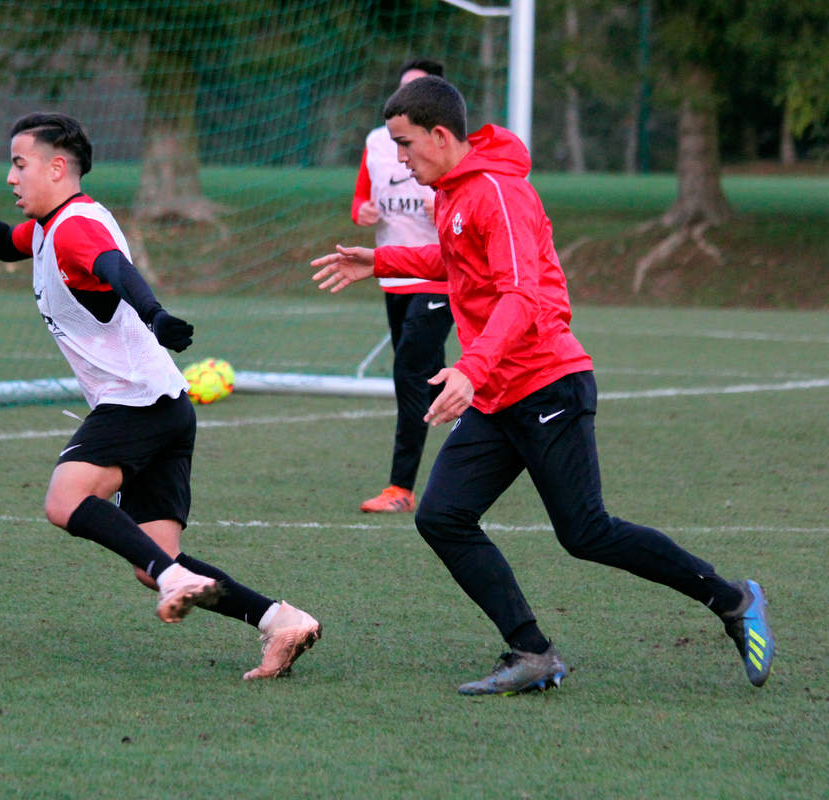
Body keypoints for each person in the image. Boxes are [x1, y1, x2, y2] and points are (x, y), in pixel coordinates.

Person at [311, 76, 773, 695]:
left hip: (547, 383)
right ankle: (531, 652)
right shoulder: (452, 194)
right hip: (501, 390)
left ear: (440, 136)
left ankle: (733, 599)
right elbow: (459, 262)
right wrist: (383, 259)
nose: (397, 159)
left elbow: (520, 294)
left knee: (586, 533)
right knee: (444, 515)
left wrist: (470, 369)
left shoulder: (497, 192)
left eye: (404, 144)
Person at [0, 112, 321, 679]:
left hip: (136, 405)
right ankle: (281, 619)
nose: (10, 177)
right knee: (155, 562)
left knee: (64, 499)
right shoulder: (52, 226)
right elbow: (8, 242)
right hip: (165, 407)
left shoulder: (76, 227)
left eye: (19, 164)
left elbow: (115, 268)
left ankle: (179, 582)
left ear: (57, 167)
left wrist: (155, 314)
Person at [351, 57, 454, 514]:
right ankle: (487, 428)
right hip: (394, 273)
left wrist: (447, 211)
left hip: (440, 277)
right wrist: (363, 214)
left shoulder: (447, 150)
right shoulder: (379, 144)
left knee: (410, 370)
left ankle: (401, 487)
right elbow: (360, 200)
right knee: (431, 377)